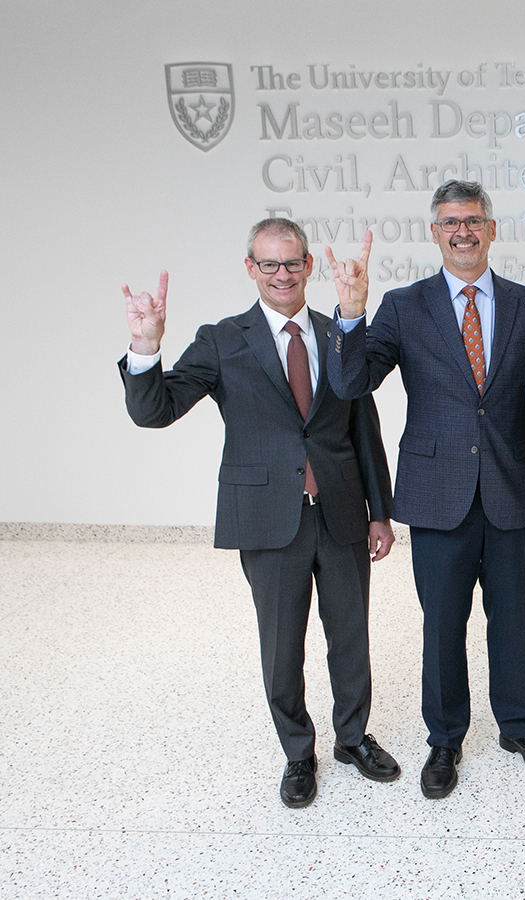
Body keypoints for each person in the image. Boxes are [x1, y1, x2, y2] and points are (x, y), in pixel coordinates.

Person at [118, 217, 399, 809]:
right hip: (270, 520)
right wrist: (146, 348)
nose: (281, 274)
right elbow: (157, 410)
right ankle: (299, 751)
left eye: (292, 262)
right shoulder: (223, 339)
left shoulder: (337, 332)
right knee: (282, 645)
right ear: (250, 268)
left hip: (342, 511)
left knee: (351, 636)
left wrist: (380, 510)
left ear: (308, 267)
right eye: (268, 264)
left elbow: (362, 428)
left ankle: (352, 737)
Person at [326, 180, 525, 800]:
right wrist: (351, 313)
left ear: (491, 229)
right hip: (437, 493)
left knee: (512, 617)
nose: (462, 230)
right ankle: (445, 738)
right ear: (435, 233)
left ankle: (517, 726)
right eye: (449, 222)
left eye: (473, 220)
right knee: (443, 624)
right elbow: (354, 382)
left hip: (513, 492)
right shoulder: (404, 307)